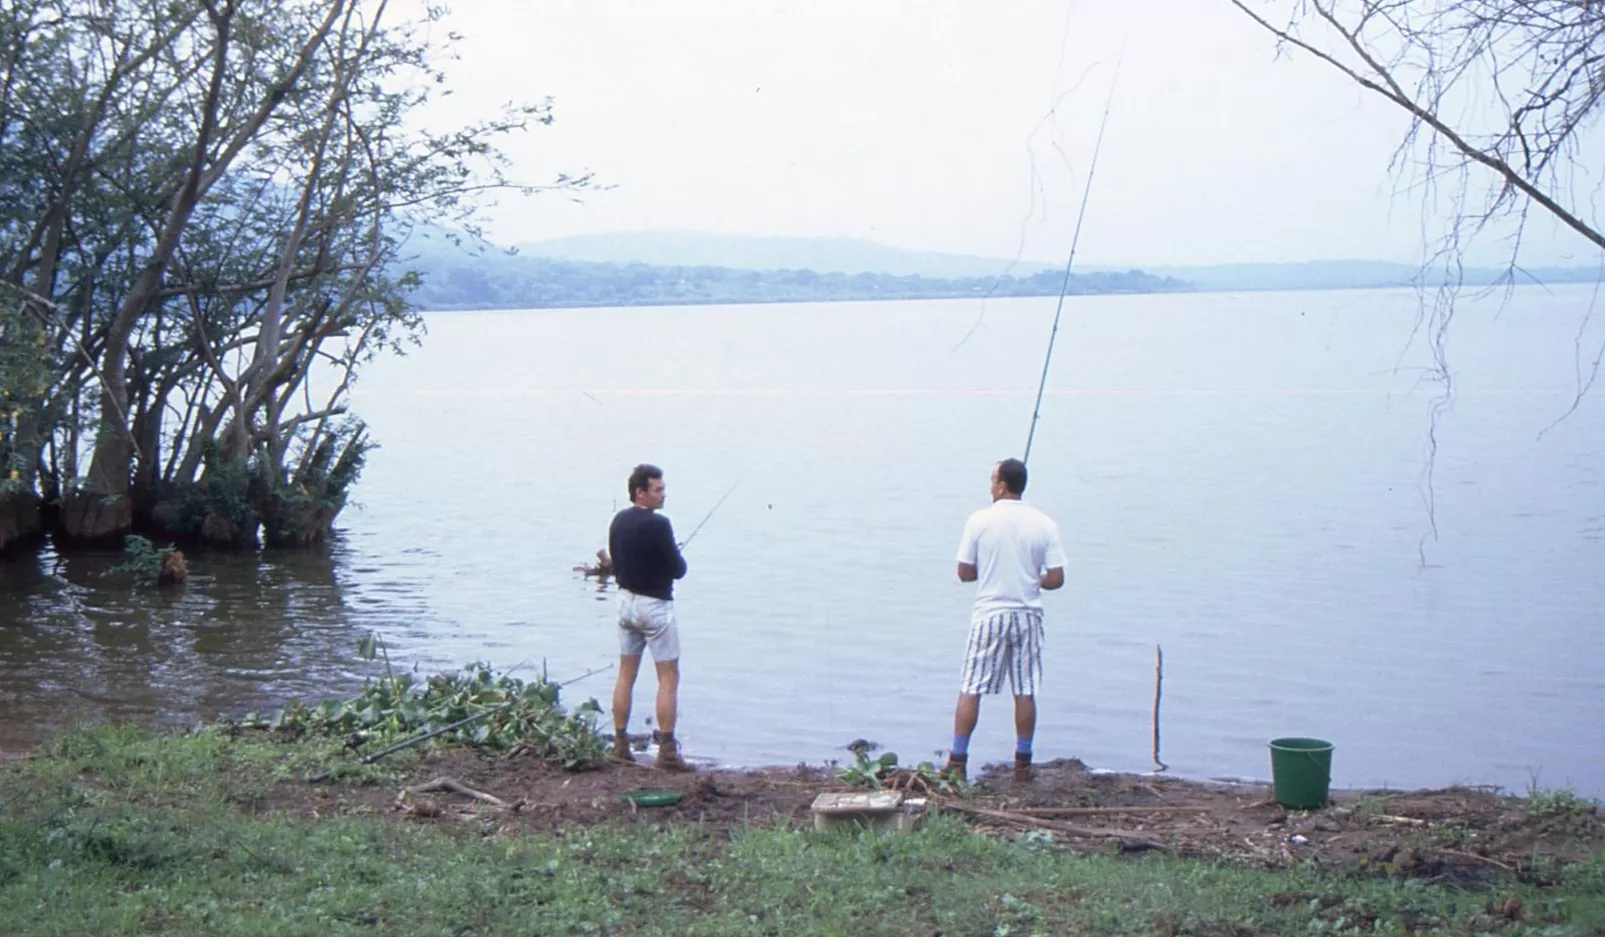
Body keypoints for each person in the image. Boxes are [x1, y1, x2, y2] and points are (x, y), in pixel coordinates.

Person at [947, 457, 1066, 784]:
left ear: (1001, 486)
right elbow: (1056, 578)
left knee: (971, 687)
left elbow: (964, 572)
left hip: (990, 614)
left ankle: (957, 761)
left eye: (992, 480)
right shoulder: (1045, 524)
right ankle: (1023, 764)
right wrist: (1034, 579)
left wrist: (987, 570)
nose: (990, 486)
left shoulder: (979, 520)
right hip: (1028, 615)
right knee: (1025, 689)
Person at [607, 463, 690, 771]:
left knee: (626, 674)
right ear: (640, 492)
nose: (663, 495)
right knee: (668, 677)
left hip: (624, 603)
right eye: (658, 489)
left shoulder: (618, 520)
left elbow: (618, 562)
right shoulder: (659, 525)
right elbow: (678, 569)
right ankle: (667, 752)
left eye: (663, 489)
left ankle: (619, 744)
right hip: (654, 607)